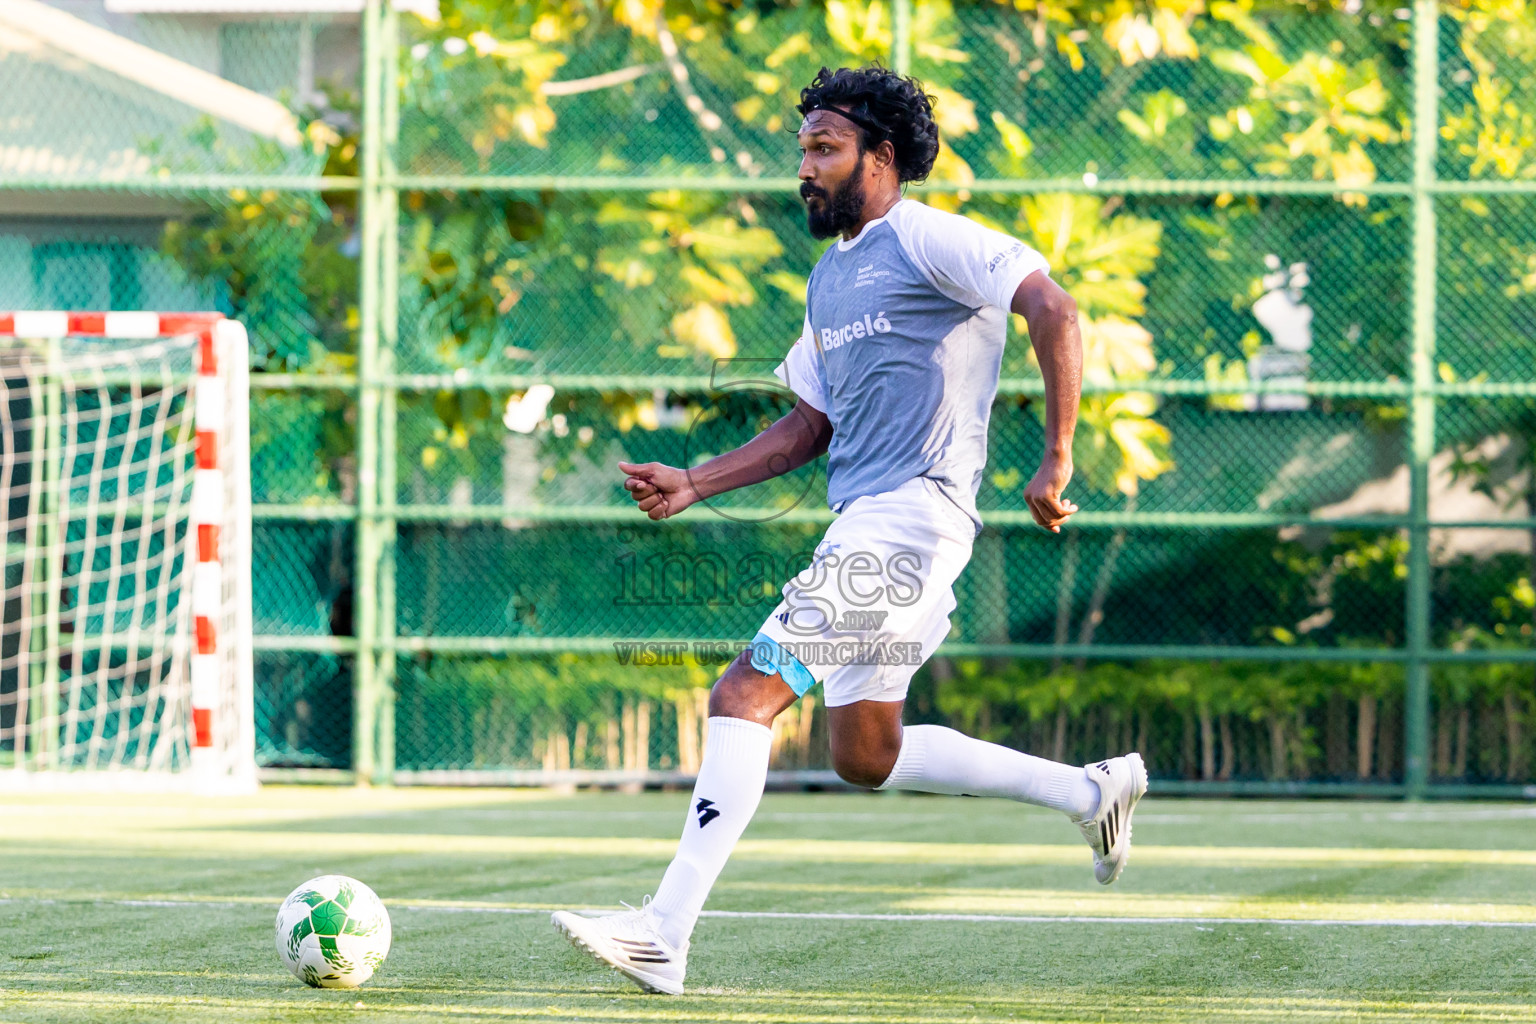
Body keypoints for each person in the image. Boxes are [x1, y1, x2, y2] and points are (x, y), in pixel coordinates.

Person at [552, 64, 1146, 995]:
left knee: (744, 693)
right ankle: (1088, 791)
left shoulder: (929, 237)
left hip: (911, 521)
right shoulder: (829, 278)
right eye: (803, 149)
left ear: (883, 156)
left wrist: (1057, 455)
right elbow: (807, 425)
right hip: (875, 523)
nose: (806, 168)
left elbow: (1054, 307)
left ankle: (663, 932)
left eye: (825, 148)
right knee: (867, 754)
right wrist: (695, 482)